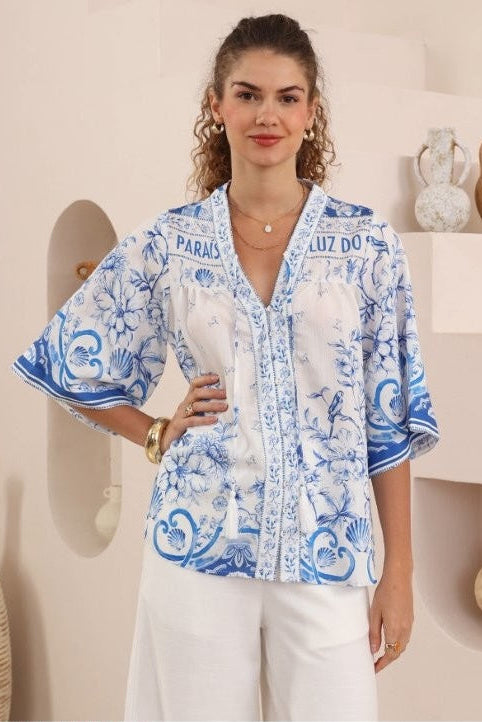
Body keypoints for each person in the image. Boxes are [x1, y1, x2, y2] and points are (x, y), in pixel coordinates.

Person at [11, 13, 440, 722]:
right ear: (217, 106)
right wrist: (155, 431)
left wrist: (400, 570)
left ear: (311, 112)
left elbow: (387, 418)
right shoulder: (170, 243)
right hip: (198, 549)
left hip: (327, 554)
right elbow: (70, 360)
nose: (267, 114)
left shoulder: (367, 245)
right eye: (247, 95)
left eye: (287, 97)